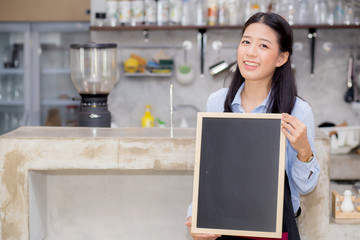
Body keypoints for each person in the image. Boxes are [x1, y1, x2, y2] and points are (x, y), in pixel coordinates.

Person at [185, 12, 320, 240]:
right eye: (246, 42)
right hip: (225, 228)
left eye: (263, 45)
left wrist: (304, 151)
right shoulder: (217, 102)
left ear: (281, 58)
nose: (250, 52)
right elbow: (209, 176)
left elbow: (305, 189)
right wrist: (196, 217)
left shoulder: (299, 112)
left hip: (277, 232)